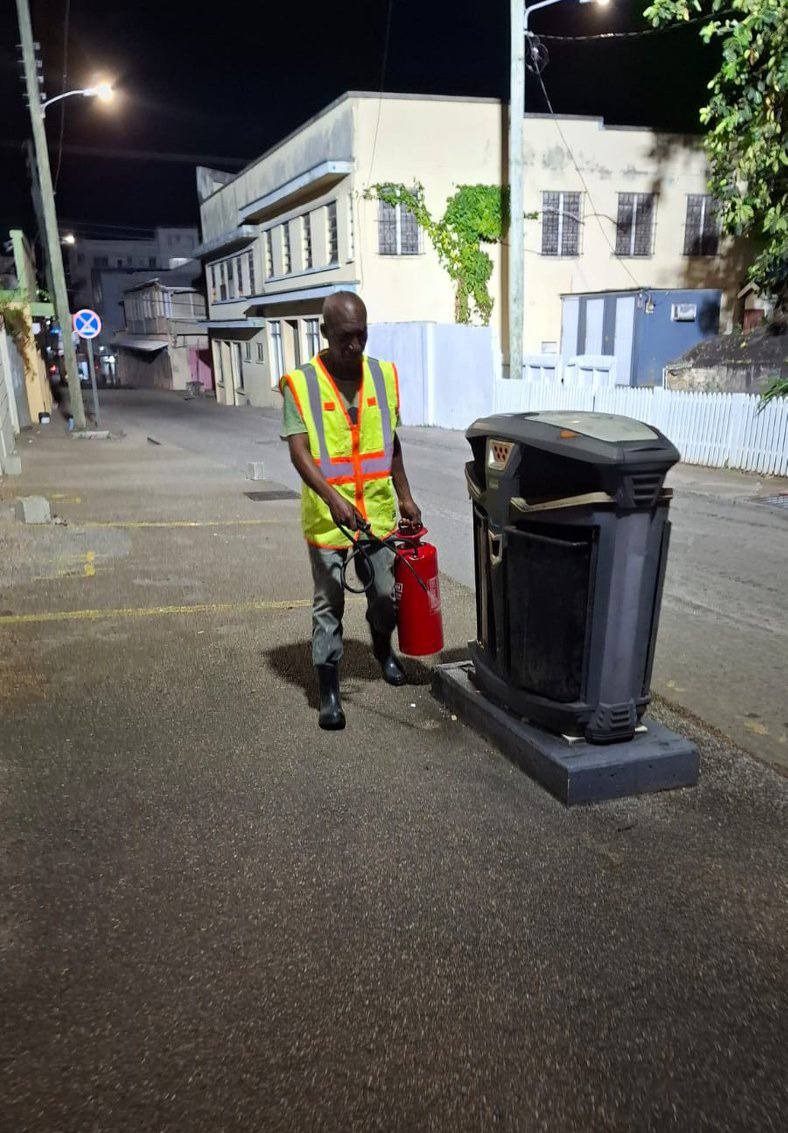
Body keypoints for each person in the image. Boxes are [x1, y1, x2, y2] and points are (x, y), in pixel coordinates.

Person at [281, 291, 422, 731]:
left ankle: (382, 649)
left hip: (377, 514)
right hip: (330, 520)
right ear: (324, 333)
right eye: (345, 337)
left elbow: (391, 442)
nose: (356, 346)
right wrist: (333, 499)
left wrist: (405, 494)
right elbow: (299, 451)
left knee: (384, 595)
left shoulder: (382, 376)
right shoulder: (300, 384)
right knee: (330, 604)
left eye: (362, 335)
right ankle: (328, 690)